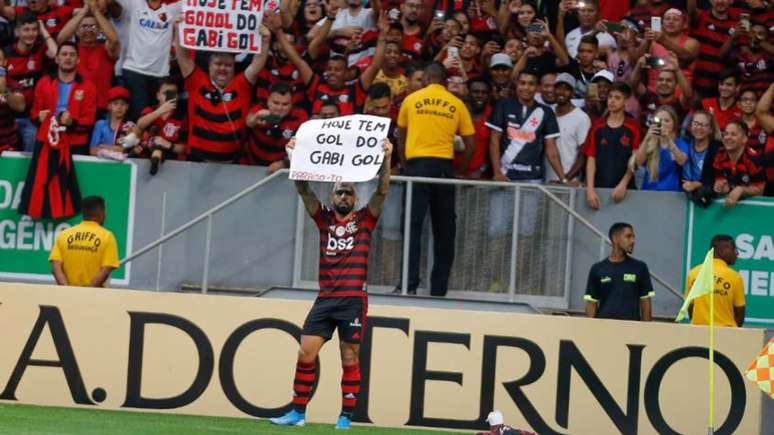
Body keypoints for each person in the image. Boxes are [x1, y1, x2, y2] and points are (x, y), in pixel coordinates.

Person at [270, 137, 392, 430]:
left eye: (349, 193)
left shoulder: (365, 220)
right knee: (305, 352)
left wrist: (387, 158)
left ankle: (345, 417)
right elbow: (303, 189)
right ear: (332, 196)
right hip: (325, 298)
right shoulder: (323, 218)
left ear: (355, 199)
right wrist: (294, 157)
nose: (344, 197)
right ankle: (298, 413)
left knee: (349, 356)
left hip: (352, 300)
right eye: (339, 192)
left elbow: (383, 189)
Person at [396, 62, 475, 297]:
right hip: (443, 169)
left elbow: (401, 135)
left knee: (412, 228)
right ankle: (439, 289)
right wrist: (458, 169)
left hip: (417, 167)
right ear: (444, 81)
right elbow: (470, 145)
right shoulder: (456, 103)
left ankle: (408, 285)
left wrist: (405, 164)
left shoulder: (411, 100)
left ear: (427, 78)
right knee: (444, 231)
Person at [174, 19, 270, 163]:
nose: (223, 68)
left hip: (232, 163)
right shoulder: (197, 81)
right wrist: (179, 30)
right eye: (218, 64)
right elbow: (183, 57)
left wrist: (265, 40)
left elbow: (258, 61)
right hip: (196, 160)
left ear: (233, 68)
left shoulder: (242, 84)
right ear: (209, 66)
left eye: (228, 65)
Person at [115, 0, 181, 121]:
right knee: (139, 115)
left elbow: (196, 3)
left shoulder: (171, 10)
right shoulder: (135, 4)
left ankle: (159, 140)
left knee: (166, 115)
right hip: (135, 71)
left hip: (162, 75)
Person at [30, 41, 97, 155]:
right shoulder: (43, 82)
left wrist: (73, 122)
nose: (68, 57)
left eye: (72, 55)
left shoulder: (89, 87)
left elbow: (89, 120)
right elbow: (34, 114)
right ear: (56, 59)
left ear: (78, 60)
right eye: (64, 54)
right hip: (48, 138)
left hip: (75, 142)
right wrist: (38, 117)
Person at [56, 0, 120, 113]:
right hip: (75, 106)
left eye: (93, 26)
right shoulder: (71, 51)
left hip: (102, 108)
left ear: (100, 30)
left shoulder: (106, 49)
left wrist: (95, 11)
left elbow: (114, 40)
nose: (89, 30)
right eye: (84, 26)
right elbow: (60, 39)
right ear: (76, 31)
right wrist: (84, 10)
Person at [584, 82, 640, 209]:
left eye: (617, 98)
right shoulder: (597, 127)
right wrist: (590, 189)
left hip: (626, 189)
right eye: (610, 97)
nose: (612, 101)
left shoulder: (633, 127)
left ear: (626, 102)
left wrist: (624, 184)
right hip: (598, 188)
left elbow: (635, 159)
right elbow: (591, 158)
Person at [584, 222, 654, 321]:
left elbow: (645, 302)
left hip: (631, 331)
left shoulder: (640, 267)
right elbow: (591, 304)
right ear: (615, 238)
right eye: (628, 236)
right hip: (605, 330)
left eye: (633, 237)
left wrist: (645, 332)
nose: (633, 241)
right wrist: (591, 330)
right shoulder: (597, 269)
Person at [49, 195, 120, 288]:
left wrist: (66, 290)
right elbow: (106, 269)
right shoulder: (107, 236)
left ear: (84, 213)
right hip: (94, 297)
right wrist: (87, 292)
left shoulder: (64, 234)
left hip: (67, 296)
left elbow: (56, 268)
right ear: (102, 213)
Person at [244, 82, 308, 170]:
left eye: (285, 104)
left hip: (282, 170)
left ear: (292, 104)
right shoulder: (260, 110)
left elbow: (305, 147)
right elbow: (248, 122)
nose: (279, 108)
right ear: (268, 100)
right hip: (253, 167)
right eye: (275, 103)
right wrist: (256, 117)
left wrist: (285, 163)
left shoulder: (300, 117)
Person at [685, 234, 745, 327]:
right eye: (734, 249)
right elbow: (740, 315)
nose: (736, 253)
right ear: (721, 251)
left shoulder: (693, 273)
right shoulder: (735, 277)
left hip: (698, 333)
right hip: (727, 334)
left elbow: (690, 308)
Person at [630, 105, 689, 191]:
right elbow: (638, 162)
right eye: (659, 121)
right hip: (649, 191)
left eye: (667, 121)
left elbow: (682, 161)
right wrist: (647, 137)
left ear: (674, 124)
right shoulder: (649, 142)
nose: (663, 124)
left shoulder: (680, 143)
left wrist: (668, 140)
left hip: (671, 192)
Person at [546, 73, 591, 184]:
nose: (561, 92)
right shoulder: (547, 112)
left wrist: (565, 179)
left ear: (572, 93)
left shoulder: (581, 118)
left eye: (566, 89)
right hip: (546, 181)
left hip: (570, 182)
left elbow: (583, 154)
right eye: (559, 88)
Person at [712, 120, 765, 208]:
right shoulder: (719, 155)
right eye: (726, 134)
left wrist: (741, 190)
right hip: (727, 206)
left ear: (744, 139)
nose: (728, 137)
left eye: (733, 134)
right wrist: (720, 186)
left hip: (753, 208)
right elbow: (719, 180)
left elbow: (760, 190)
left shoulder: (753, 160)